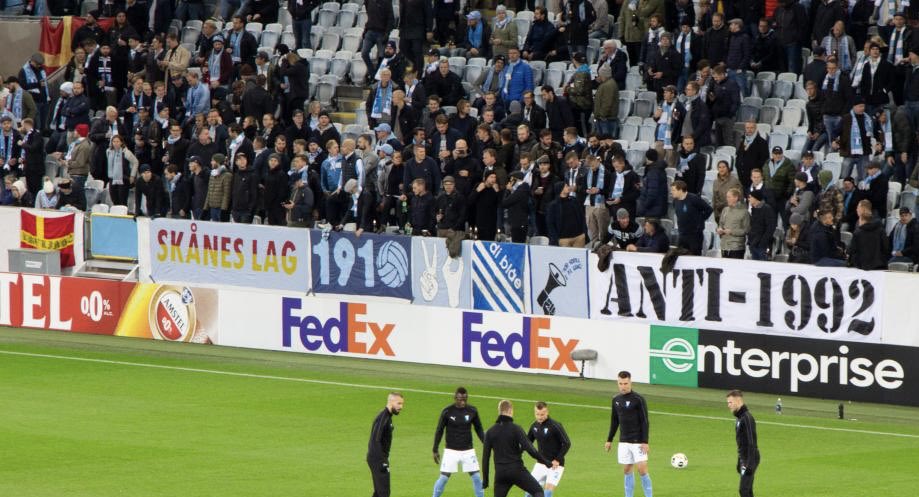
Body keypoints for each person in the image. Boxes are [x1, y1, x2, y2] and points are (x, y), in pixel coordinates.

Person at [481, 399, 555, 497]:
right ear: (511, 411)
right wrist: (546, 462)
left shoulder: (490, 432)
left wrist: (485, 480)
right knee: (538, 492)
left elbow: (485, 458)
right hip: (517, 471)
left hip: (500, 474)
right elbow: (530, 449)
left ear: (499, 411)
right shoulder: (516, 429)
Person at [431, 387, 486, 497]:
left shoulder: (472, 411)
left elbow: (479, 429)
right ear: (455, 398)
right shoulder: (447, 411)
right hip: (451, 451)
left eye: (465, 399)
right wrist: (435, 449)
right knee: (443, 478)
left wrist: (487, 444)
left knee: (476, 478)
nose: (463, 402)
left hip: (468, 450)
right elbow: (439, 430)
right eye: (460, 399)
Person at [605, 371, 652, 497]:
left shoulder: (638, 399)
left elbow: (645, 421)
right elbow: (614, 420)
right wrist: (609, 439)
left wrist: (645, 441)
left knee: (642, 469)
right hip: (624, 441)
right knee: (626, 469)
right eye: (620, 383)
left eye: (625, 383)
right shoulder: (615, 399)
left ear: (630, 382)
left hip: (638, 441)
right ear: (617, 383)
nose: (623, 386)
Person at [525, 402, 570, 497]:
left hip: (555, 466)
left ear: (547, 412)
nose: (540, 417)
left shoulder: (555, 425)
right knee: (528, 492)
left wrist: (557, 459)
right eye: (537, 414)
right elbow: (527, 443)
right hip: (540, 464)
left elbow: (567, 443)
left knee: (547, 493)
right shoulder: (534, 426)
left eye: (542, 414)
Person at [368, 392, 405, 497]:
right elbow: (376, 440)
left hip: (377, 458)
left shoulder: (387, 416)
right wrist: (382, 461)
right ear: (391, 402)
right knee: (384, 493)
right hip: (378, 459)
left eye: (402, 404)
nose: (401, 407)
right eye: (398, 403)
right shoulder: (383, 417)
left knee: (379, 493)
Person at [726, 390, 759, 497]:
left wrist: (749, 463)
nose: (728, 405)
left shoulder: (747, 418)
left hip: (750, 458)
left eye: (730, 402)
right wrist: (739, 460)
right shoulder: (739, 418)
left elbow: (751, 442)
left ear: (738, 401)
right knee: (748, 490)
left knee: (743, 490)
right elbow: (741, 444)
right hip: (744, 458)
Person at [671, 180, 713, 255]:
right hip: (682, 234)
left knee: (694, 257)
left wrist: (700, 220)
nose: (672, 192)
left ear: (680, 190)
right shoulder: (675, 201)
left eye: (673, 190)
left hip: (694, 235)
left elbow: (708, 209)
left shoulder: (694, 199)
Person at [848, 199, 889, 270]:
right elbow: (886, 247)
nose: (856, 209)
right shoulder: (880, 227)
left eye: (858, 207)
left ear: (862, 209)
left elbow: (852, 250)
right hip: (879, 267)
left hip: (861, 268)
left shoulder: (858, 231)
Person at [718, 188, 750, 259]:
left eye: (729, 197)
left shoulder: (744, 212)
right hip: (724, 246)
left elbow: (746, 230)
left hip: (736, 247)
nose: (727, 199)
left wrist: (731, 232)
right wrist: (719, 229)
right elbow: (721, 223)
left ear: (736, 198)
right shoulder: (725, 210)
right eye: (727, 197)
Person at [747, 189, 776, 260]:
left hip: (762, 246)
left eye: (750, 197)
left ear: (755, 198)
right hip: (754, 244)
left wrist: (763, 242)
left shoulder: (767, 209)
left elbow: (770, 227)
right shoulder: (754, 209)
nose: (748, 199)